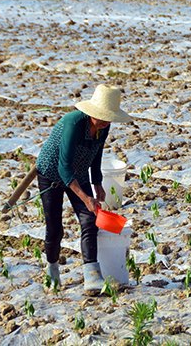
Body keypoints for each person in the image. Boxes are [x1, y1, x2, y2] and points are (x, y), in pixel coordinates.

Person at [35, 84, 132, 293]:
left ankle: (92, 276)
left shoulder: (104, 127)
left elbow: (96, 156)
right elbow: (64, 166)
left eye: (108, 118)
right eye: (102, 117)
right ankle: (52, 270)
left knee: (90, 219)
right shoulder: (74, 123)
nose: (105, 122)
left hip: (78, 173)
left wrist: (97, 184)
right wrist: (85, 197)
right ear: (92, 112)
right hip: (51, 172)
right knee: (55, 228)